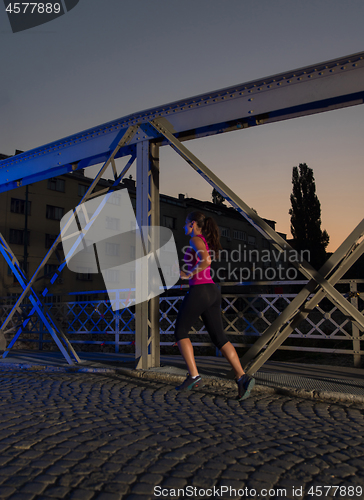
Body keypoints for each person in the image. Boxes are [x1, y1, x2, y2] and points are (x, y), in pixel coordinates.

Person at [174, 211, 255, 401]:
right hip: (212, 291)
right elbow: (204, 264)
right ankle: (242, 378)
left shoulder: (195, 240)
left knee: (180, 332)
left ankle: (193, 376)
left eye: (186, 223)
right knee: (220, 338)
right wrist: (187, 273)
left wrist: (187, 275)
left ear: (193, 224)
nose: (184, 227)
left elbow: (206, 261)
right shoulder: (203, 240)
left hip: (201, 291)